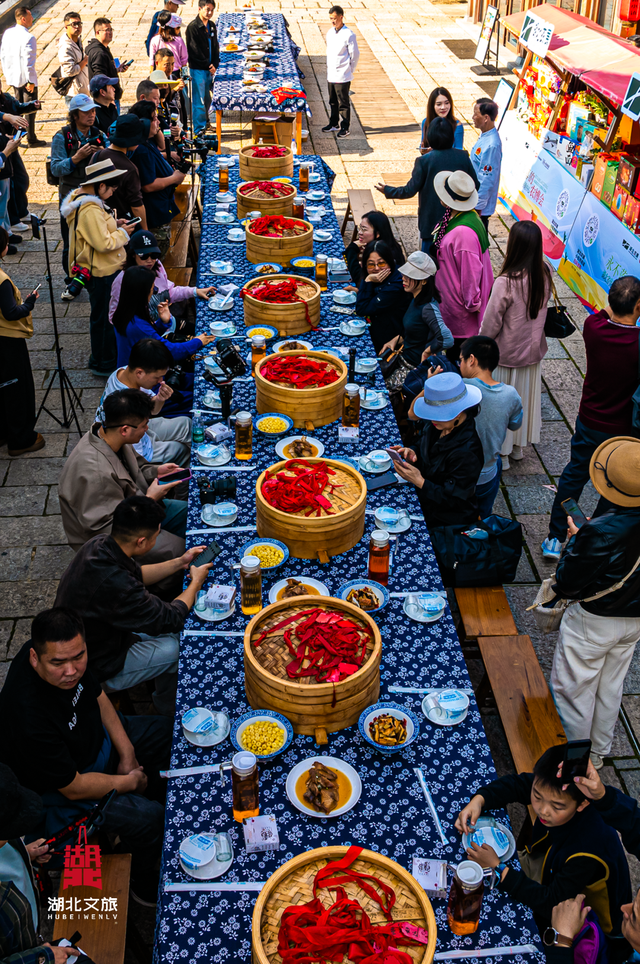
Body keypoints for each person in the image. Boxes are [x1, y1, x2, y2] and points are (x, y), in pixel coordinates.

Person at [0, 607, 173, 905]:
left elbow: (97, 696)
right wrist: (130, 782)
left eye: (78, 657)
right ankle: (142, 880)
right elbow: (74, 786)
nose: (71, 671)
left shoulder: (68, 654)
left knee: (170, 734)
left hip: (99, 742)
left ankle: (162, 791)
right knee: (151, 819)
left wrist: (128, 754)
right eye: (58, 663)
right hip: (72, 790)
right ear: (34, 658)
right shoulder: (28, 716)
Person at [455, 743, 632, 949]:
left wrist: (499, 868)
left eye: (557, 806)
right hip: (549, 870)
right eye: (537, 796)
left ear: (583, 803)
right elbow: (519, 785)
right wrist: (479, 800)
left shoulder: (588, 850)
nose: (543, 811)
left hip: (594, 929)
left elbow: (550, 903)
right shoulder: (554, 787)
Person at [56, 497, 211, 713]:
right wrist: (195, 583)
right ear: (141, 542)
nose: (157, 539)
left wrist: (180, 563)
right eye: (156, 536)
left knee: (174, 632)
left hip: (103, 630)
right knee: (177, 647)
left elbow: (137, 574)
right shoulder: (120, 587)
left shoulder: (99, 544)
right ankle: (164, 711)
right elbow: (172, 617)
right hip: (98, 662)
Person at [550, 438, 640, 770]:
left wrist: (574, 541)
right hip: (633, 619)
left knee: (572, 689)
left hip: (595, 619)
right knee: (611, 683)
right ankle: (599, 751)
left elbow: (567, 583)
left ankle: (574, 761)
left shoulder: (600, 532)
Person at [542, 275, 640, 561]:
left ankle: (554, 537)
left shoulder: (592, 327)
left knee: (573, 478)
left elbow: (607, 312)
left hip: (589, 420)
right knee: (614, 487)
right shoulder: (637, 344)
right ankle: (591, 537)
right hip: (622, 432)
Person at [58, 389, 188, 559]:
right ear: (125, 429)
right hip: (116, 540)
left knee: (190, 514)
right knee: (180, 549)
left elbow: (137, 468)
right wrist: (150, 499)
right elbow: (107, 529)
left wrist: (156, 471)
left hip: (138, 507)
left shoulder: (111, 436)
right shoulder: (96, 474)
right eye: (144, 426)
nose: (147, 429)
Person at [479, 219, 550, 470]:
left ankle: (503, 453)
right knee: (524, 403)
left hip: (506, 354)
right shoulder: (544, 273)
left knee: (502, 407)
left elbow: (490, 324)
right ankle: (518, 448)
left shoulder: (506, 282)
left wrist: (480, 346)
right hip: (532, 354)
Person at [61, 157, 135, 376]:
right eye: (111, 188)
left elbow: (97, 230)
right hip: (102, 271)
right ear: (100, 185)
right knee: (103, 319)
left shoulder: (83, 198)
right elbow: (103, 243)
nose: (113, 192)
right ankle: (103, 363)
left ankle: (105, 358)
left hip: (101, 268)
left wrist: (115, 223)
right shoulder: (90, 209)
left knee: (103, 316)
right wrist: (123, 233)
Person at [0, 765, 77, 963]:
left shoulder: (6, 840)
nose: (13, 835)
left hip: (27, 935)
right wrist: (42, 959)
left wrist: (26, 854)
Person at [390, 371, 483, 527]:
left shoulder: (467, 452)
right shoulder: (437, 425)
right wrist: (412, 451)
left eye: (439, 414)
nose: (432, 419)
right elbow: (422, 443)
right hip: (424, 501)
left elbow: (455, 500)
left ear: (458, 413)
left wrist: (420, 481)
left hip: (446, 521)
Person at [375, 119, 479, 251]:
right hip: (459, 219)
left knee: (428, 263)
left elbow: (409, 190)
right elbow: (475, 185)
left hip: (431, 222)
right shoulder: (463, 157)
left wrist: (388, 190)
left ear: (429, 137)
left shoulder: (424, 161)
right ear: (452, 136)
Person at [96, 338, 192, 465]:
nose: (160, 381)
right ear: (139, 372)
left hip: (140, 429)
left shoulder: (122, 372)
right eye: (157, 377)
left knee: (187, 424)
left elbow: (153, 409)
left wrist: (159, 399)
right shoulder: (128, 403)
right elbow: (133, 450)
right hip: (135, 448)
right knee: (180, 450)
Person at [459, 335, 523, 517]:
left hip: (458, 474)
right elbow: (515, 424)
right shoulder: (511, 394)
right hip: (487, 473)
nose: (460, 365)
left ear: (471, 360)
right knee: (484, 515)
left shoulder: (459, 387)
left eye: (461, 360)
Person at [50, 93, 109, 285]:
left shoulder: (99, 135)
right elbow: (56, 168)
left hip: (94, 194)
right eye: (86, 112)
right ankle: (71, 278)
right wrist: (75, 158)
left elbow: (110, 161)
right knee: (71, 238)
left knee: (95, 234)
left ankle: (93, 270)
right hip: (71, 195)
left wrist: (103, 154)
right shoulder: (62, 136)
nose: (91, 115)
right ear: (75, 115)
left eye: (93, 111)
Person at [431, 169, 493, 343]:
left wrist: (473, 304)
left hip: (460, 315)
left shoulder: (463, 233)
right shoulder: (464, 216)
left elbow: (470, 275)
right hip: (452, 305)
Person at [113, 265, 214, 371]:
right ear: (143, 294)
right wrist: (198, 341)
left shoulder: (124, 312)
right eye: (153, 289)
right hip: (142, 378)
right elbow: (170, 352)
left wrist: (163, 323)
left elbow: (147, 337)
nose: (154, 292)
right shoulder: (137, 325)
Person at [109, 228, 215, 323]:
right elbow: (114, 317)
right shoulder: (122, 281)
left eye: (154, 255)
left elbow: (169, 293)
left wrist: (195, 291)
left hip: (163, 324)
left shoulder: (157, 266)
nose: (150, 261)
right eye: (144, 256)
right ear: (133, 255)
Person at [0, 225, 43, 457]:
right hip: (7, 342)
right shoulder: (2, 280)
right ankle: (20, 438)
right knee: (17, 388)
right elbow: (11, 313)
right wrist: (29, 303)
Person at [379, 250, 453, 371]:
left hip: (413, 366)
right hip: (405, 357)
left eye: (410, 276)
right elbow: (416, 331)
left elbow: (447, 339)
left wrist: (428, 351)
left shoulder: (428, 308)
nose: (403, 278)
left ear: (424, 281)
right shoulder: (415, 298)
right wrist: (394, 340)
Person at [128, 100, 184, 234]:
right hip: (155, 214)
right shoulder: (141, 150)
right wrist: (174, 178)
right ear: (144, 122)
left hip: (162, 206)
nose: (158, 122)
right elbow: (148, 185)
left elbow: (162, 147)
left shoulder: (147, 141)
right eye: (154, 119)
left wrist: (155, 127)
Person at [91, 113, 148, 230]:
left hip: (97, 219)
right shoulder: (130, 168)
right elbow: (136, 206)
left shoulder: (97, 155)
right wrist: (146, 231)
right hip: (121, 224)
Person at [354, 240, 410, 353]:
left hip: (389, 338)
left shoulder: (397, 284)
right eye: (371, 264)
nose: (376, 268)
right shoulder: (381, 278)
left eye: (381, 263)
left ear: (390, 262)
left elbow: (362, 308)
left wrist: (368, 281)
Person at [0, 7, 44, 148]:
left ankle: (16, 137)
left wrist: (7, 74)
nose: (32, 18)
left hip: (13, 77)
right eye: (30, 15)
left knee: (15, 109)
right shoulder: (29, 37)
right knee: (29, 110)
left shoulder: (8, 33)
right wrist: (30, 81)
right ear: (23, 19)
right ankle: (31, 138)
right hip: (25, 80)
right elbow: (28, 62)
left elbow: (3, 55)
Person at [0, 81, 32, 243]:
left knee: (19, 180)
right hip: (4, 151)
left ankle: (16, 218)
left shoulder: (5, 98)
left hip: (8, 147)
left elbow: (17, 107)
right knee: (6, 194)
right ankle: (8, 232)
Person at [322, 5, 359, 138]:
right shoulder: (330, 32)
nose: (332, 21)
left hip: (343, 75)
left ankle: (345, 127)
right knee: (332, 101)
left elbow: (354, 55)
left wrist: (349, 70)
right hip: (331, 73)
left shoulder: (349, 34)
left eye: (334, 18)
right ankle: (333, 123)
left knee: (343, 103)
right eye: (331, 18)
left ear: (341, 17)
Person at [345, 210, 404, 285]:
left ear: (377, 234)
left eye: (364, 229)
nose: (360, 232)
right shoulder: (388, 245)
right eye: (360, 228)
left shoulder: (382, 253)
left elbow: (358, 278)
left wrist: (352, 249)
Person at [186, 0, 219, 134]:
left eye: (212, 10)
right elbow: (194, 51)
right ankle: (199, 129)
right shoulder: (192, 28)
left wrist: (215, 64)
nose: (209, 12)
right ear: (199, 8)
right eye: (207, 9)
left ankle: (206, 123)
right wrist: (208, 65)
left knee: (207, 98)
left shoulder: (211, 25)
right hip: (198, 69)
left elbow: (216, 46)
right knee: (199, 100)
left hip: (209, 69)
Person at [471, 97, 502, 229]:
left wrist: (477, 207)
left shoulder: (491, 145)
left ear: (486, 118)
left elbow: (487, 180)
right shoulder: (485, 136)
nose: (472, 117)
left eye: (476, 114)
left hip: (480, 209)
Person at [86, 18, 128, 110]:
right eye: (106, 30)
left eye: (111, 29)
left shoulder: (103, 48)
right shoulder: (99, 53)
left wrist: (116, 69)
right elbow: (99, 78)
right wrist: (109, 99)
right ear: (97, 32)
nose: (110, 32)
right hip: (107, 99)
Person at [420, 86, 464, 154]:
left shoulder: (457, 125)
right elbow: (423, 145)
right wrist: (423, 150)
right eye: (439, 104)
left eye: (446, 103)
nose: (443, 107)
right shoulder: (426, 122)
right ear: (432, 106)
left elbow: (459, 151)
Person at [58, 11, 89, 103]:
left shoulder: (77, 40)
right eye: (74, 24)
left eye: (79, 24)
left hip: (82, 90)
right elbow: (70, 71)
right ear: (66, 26)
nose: (77, 27)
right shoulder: (65, 47)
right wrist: (85, 61)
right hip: (74, 94)